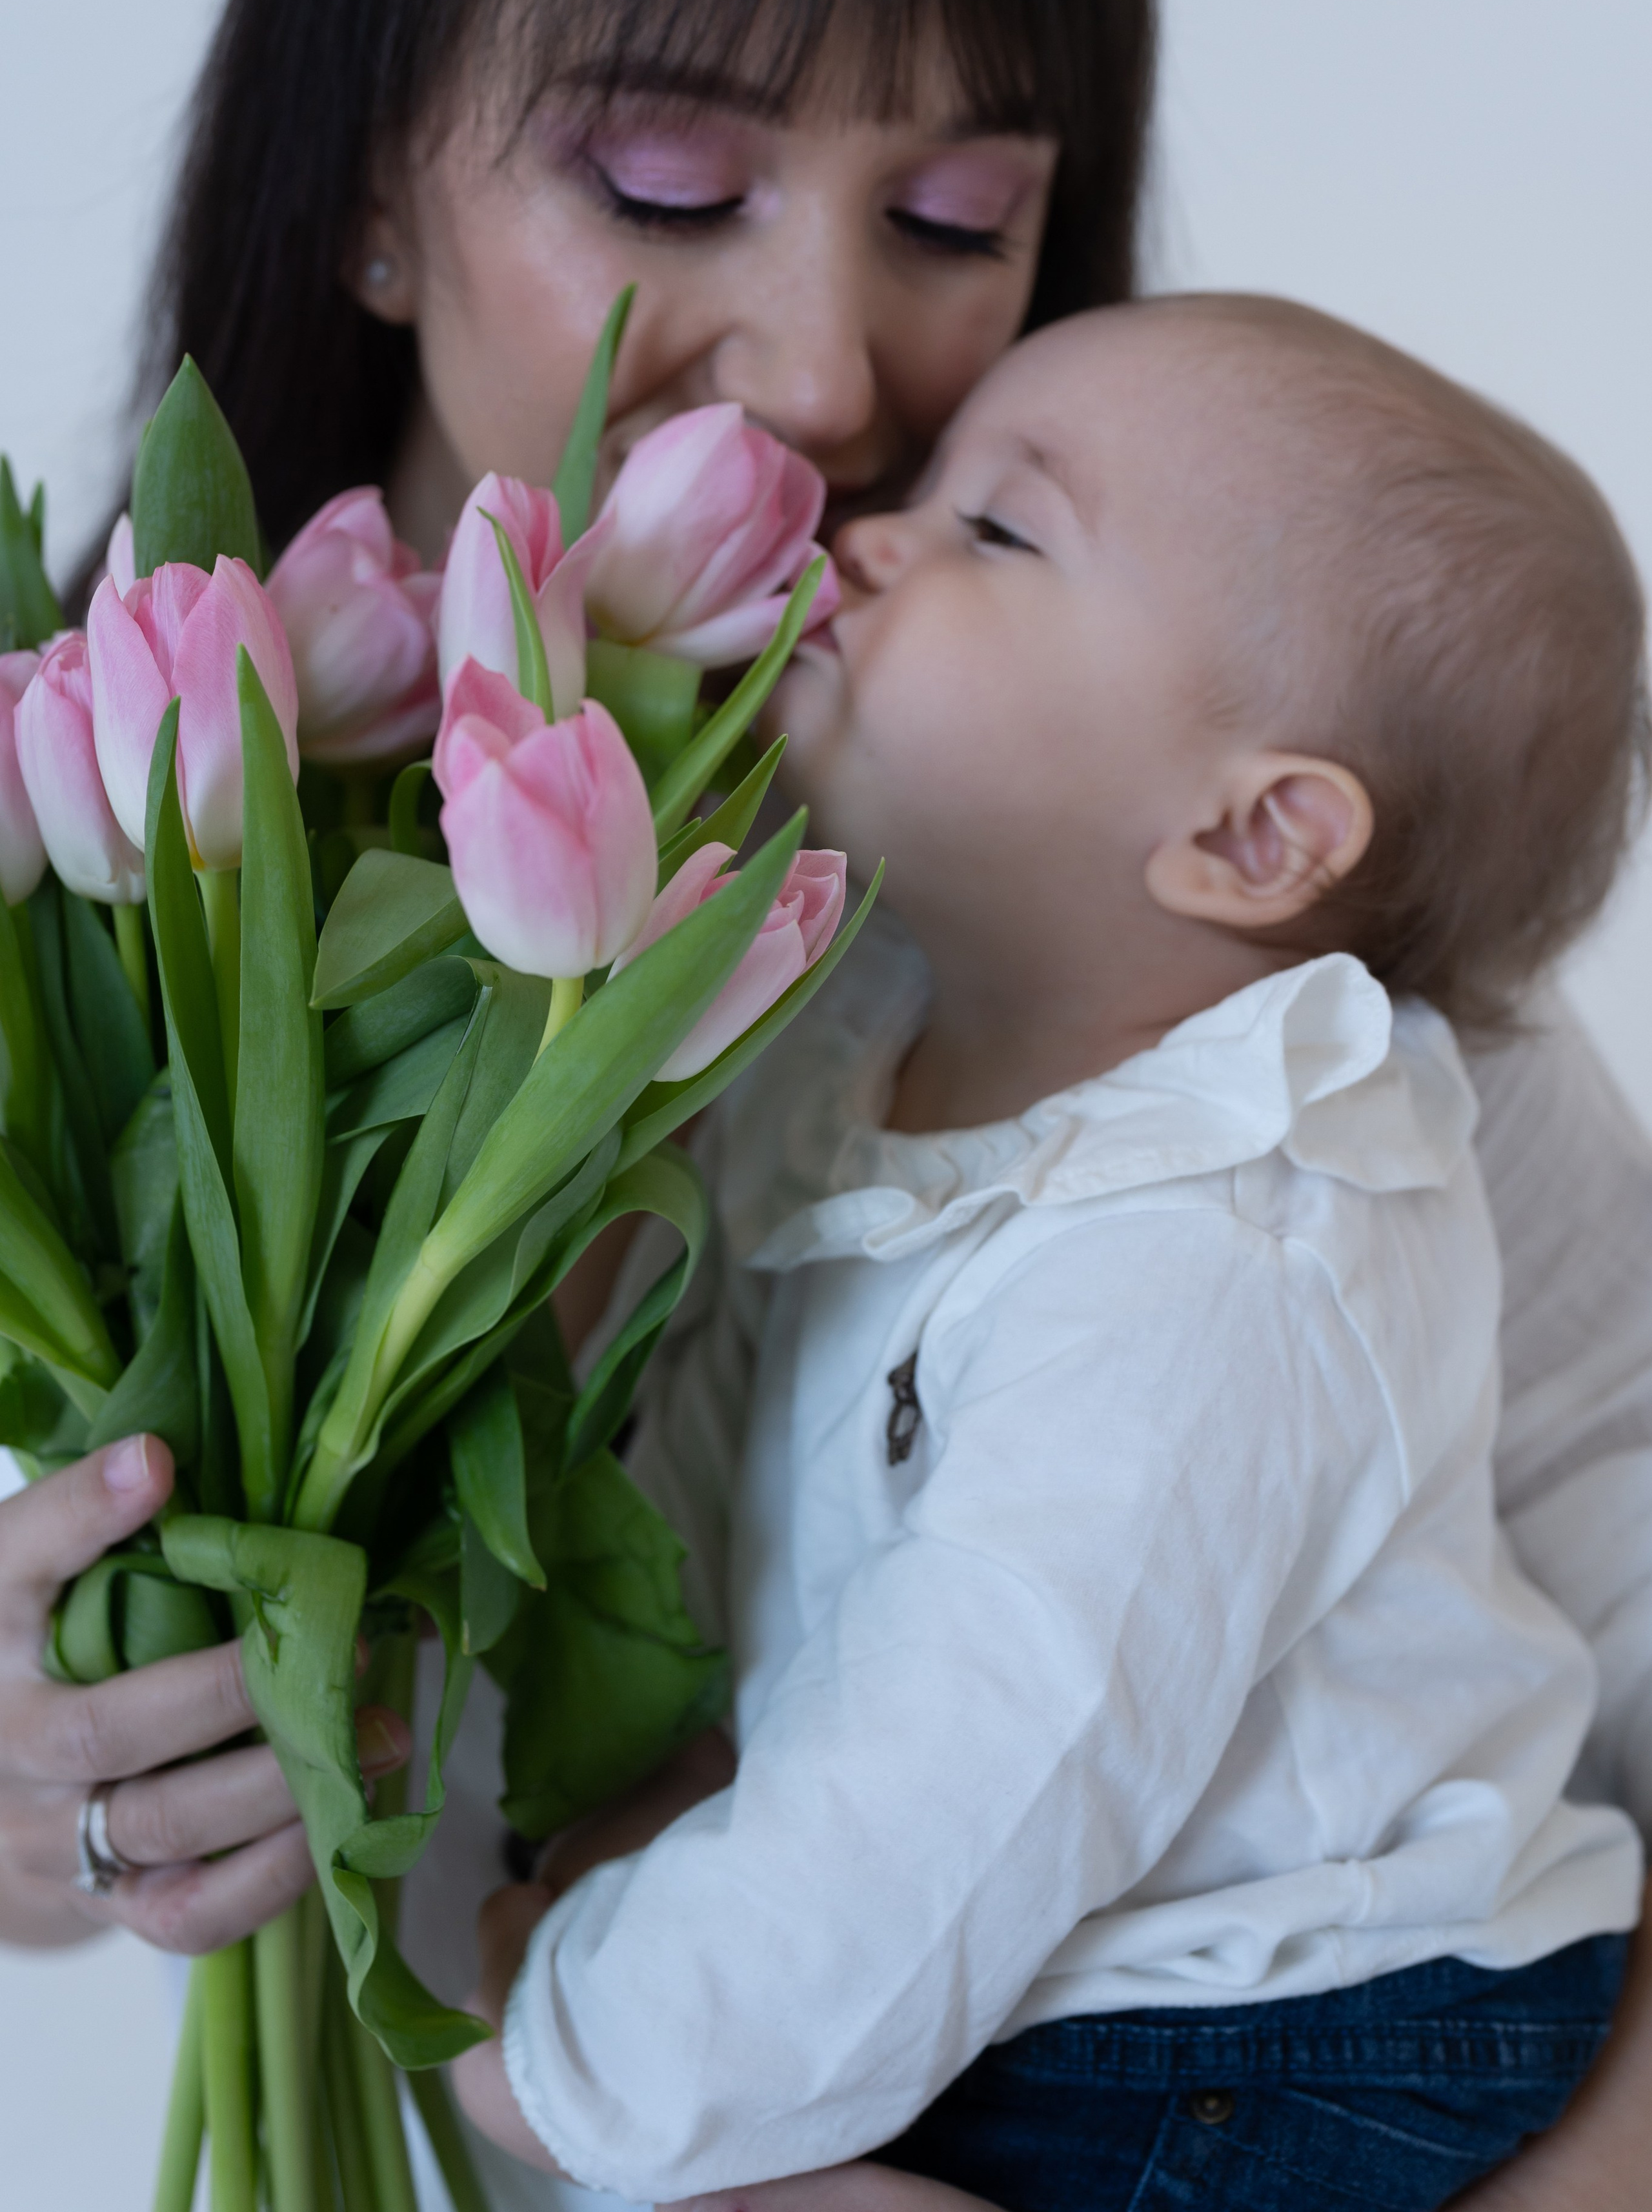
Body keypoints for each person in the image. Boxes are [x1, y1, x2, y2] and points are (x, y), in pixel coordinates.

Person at [0, 0, 1646, 2204]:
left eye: (959, 217)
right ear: (364, 182)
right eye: (670, 183)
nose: (828, 376)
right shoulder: (107, 873)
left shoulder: (1256, 1025)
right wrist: (52, 1804)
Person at [447, 295, 1648, 2209]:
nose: (873, 529)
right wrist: (679, 1792)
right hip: (1107, 1980)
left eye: (999, 530)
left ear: (1254, 840)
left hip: (1290, 2037)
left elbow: (991, 1739)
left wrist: (601, 2041)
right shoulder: (883, 1061)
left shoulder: (1219, 1249)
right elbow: (793, 1530)